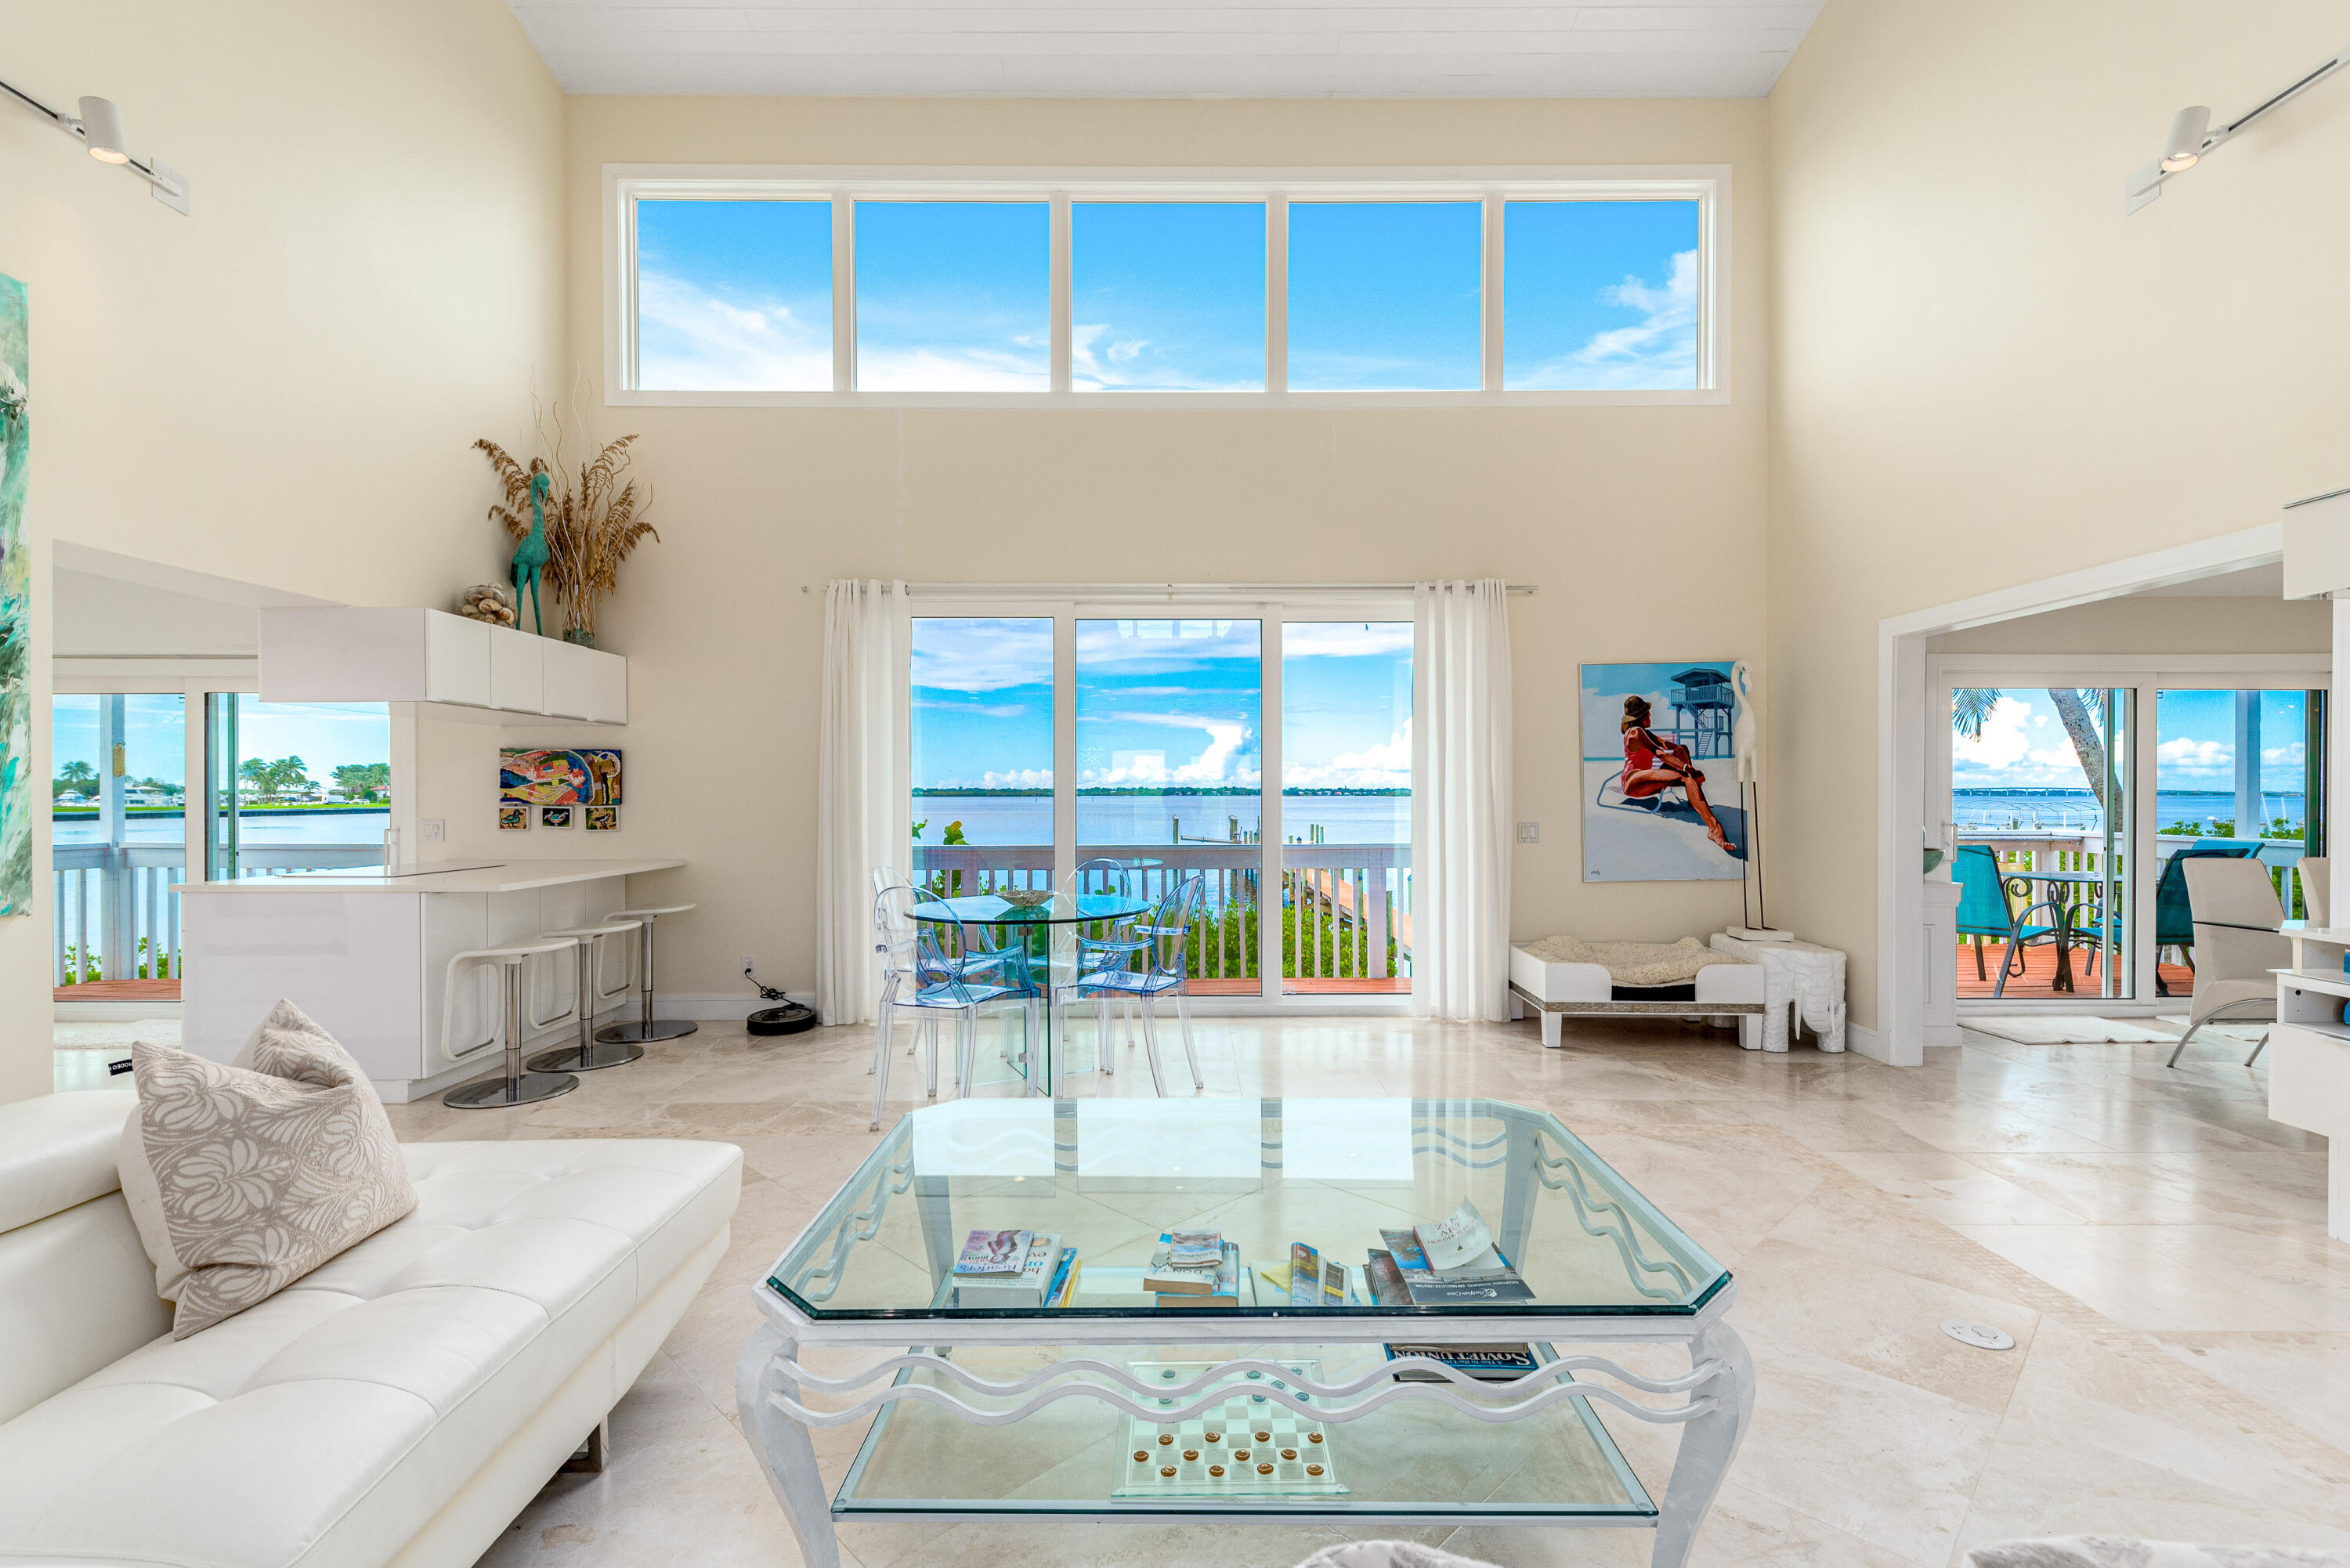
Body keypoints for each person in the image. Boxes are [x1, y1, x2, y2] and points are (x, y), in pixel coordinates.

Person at [1621, 695, 1736, 855]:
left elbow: (1664, 745)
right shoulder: (1635, 733)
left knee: (1682, 750)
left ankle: (1693, 800)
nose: (1650, 716)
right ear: (1642, 715)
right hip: (1633, 782)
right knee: (1685, 777)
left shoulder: (1644, 733)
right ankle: (1714, 829)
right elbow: (1660, 754)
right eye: (1648, 713)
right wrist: (1686, 768)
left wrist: (1680, 750)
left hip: (1645, 779)